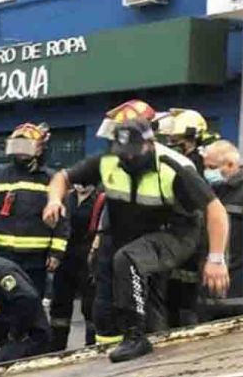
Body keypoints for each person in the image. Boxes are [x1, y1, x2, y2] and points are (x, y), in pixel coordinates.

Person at [44, 110, 230, 363]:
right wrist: (54, 200)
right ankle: (151, 339)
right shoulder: (109, 160)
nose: (129, 158)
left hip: (176, 233)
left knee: (128, 259)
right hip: (134, 234)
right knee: (124, 283)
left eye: (134, 151)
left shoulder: (173, 167)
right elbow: (62, 178)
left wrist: (216, 259)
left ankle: (135, 337)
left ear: (150, 144)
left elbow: (216, 210)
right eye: (124, 152)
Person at [0, 123, 69, 296]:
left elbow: (62, 220)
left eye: (25, 146)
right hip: (3, 255)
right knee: (3, 300)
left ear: (39, 149)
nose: (20, 151)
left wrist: (56, 253)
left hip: (37, 259)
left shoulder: (52, 180)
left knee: (32, 301)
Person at [155, 109, 211, 327]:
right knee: (172, 294)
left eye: (178, 141)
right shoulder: (182, 161)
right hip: (177, 237)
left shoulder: (197, 165)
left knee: (187, 297)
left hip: (192, 238)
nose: (173, 145)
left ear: (191, 139)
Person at [48, 184, 104, 350]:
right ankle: (57, 347)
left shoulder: (100, 199)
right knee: (59, 303)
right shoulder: (67, 198)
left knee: (90, 304)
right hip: (64, 257)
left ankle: (92, 345)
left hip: (89, 258)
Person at [200, 140, 243, 320]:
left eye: (212, 167)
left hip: (238, 293)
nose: (208, 172)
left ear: (231, 164)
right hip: (208, 293)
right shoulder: (208, 191)